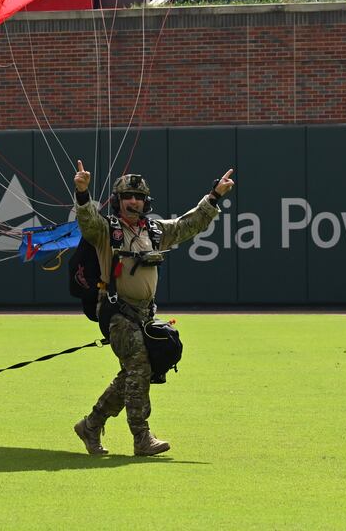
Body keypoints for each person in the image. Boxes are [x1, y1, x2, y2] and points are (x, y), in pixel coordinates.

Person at [71, 161, 233, 458]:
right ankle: (142, 437)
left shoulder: (155, 231)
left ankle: (91, 425)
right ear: (118, 201)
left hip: (144, 314)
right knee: (139, 367)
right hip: (116, 312)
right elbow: (88, 221)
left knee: (134, 373)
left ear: (146, 202)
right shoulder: (107, 230)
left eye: (138, 197)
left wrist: (214, 197)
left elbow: (187, 224)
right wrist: (82, 193)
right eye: (127, 197)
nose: (133, 201)